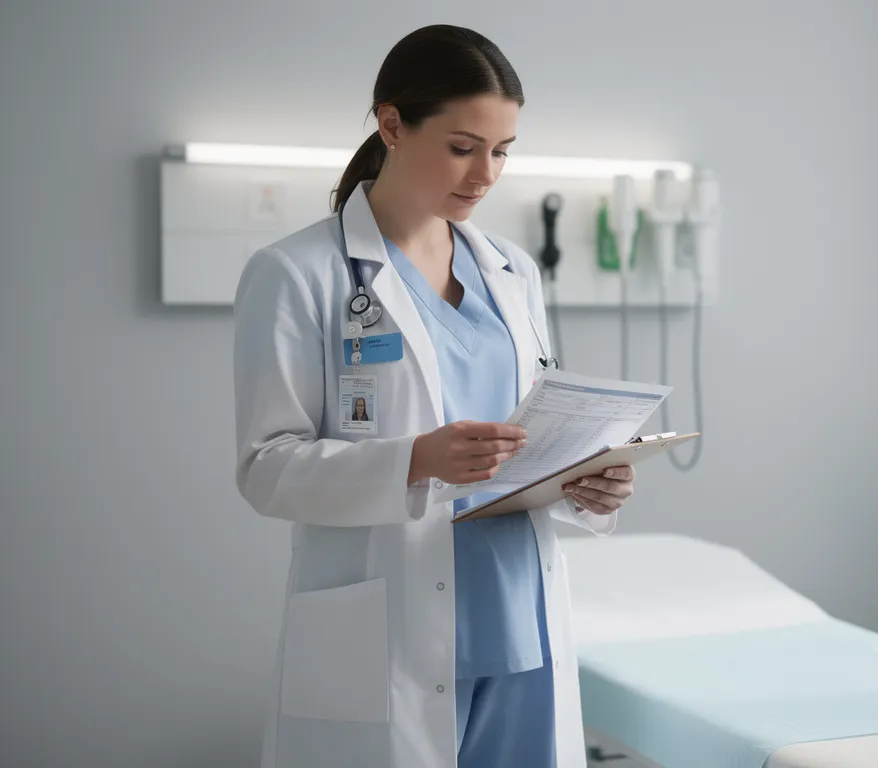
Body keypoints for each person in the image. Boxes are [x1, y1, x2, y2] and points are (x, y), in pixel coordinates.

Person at [232, 24, 635, 768]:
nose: (486, 173)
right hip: (392, 628)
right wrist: (414, 460)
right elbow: (266, 466)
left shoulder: (512, 271)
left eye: (503, 150)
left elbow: (529, 438)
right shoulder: (297, 274)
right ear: (391, 125)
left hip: (522, 619)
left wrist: (585, 481)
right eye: (462, 146)